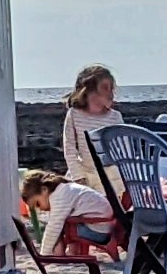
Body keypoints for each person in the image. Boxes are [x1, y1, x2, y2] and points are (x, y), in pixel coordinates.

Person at [41, 63, 122, 249]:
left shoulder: (115, 117)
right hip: (83, 170)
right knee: (66, 204)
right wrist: (79, 177)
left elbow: (122, 150)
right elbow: (70, 148)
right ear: (89, 90)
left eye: (112, 88)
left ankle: (100, 239)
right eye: (105, 88)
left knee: (102, 210)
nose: (111, 93)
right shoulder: (75, 115)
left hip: (109, 175)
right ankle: (71, 247)